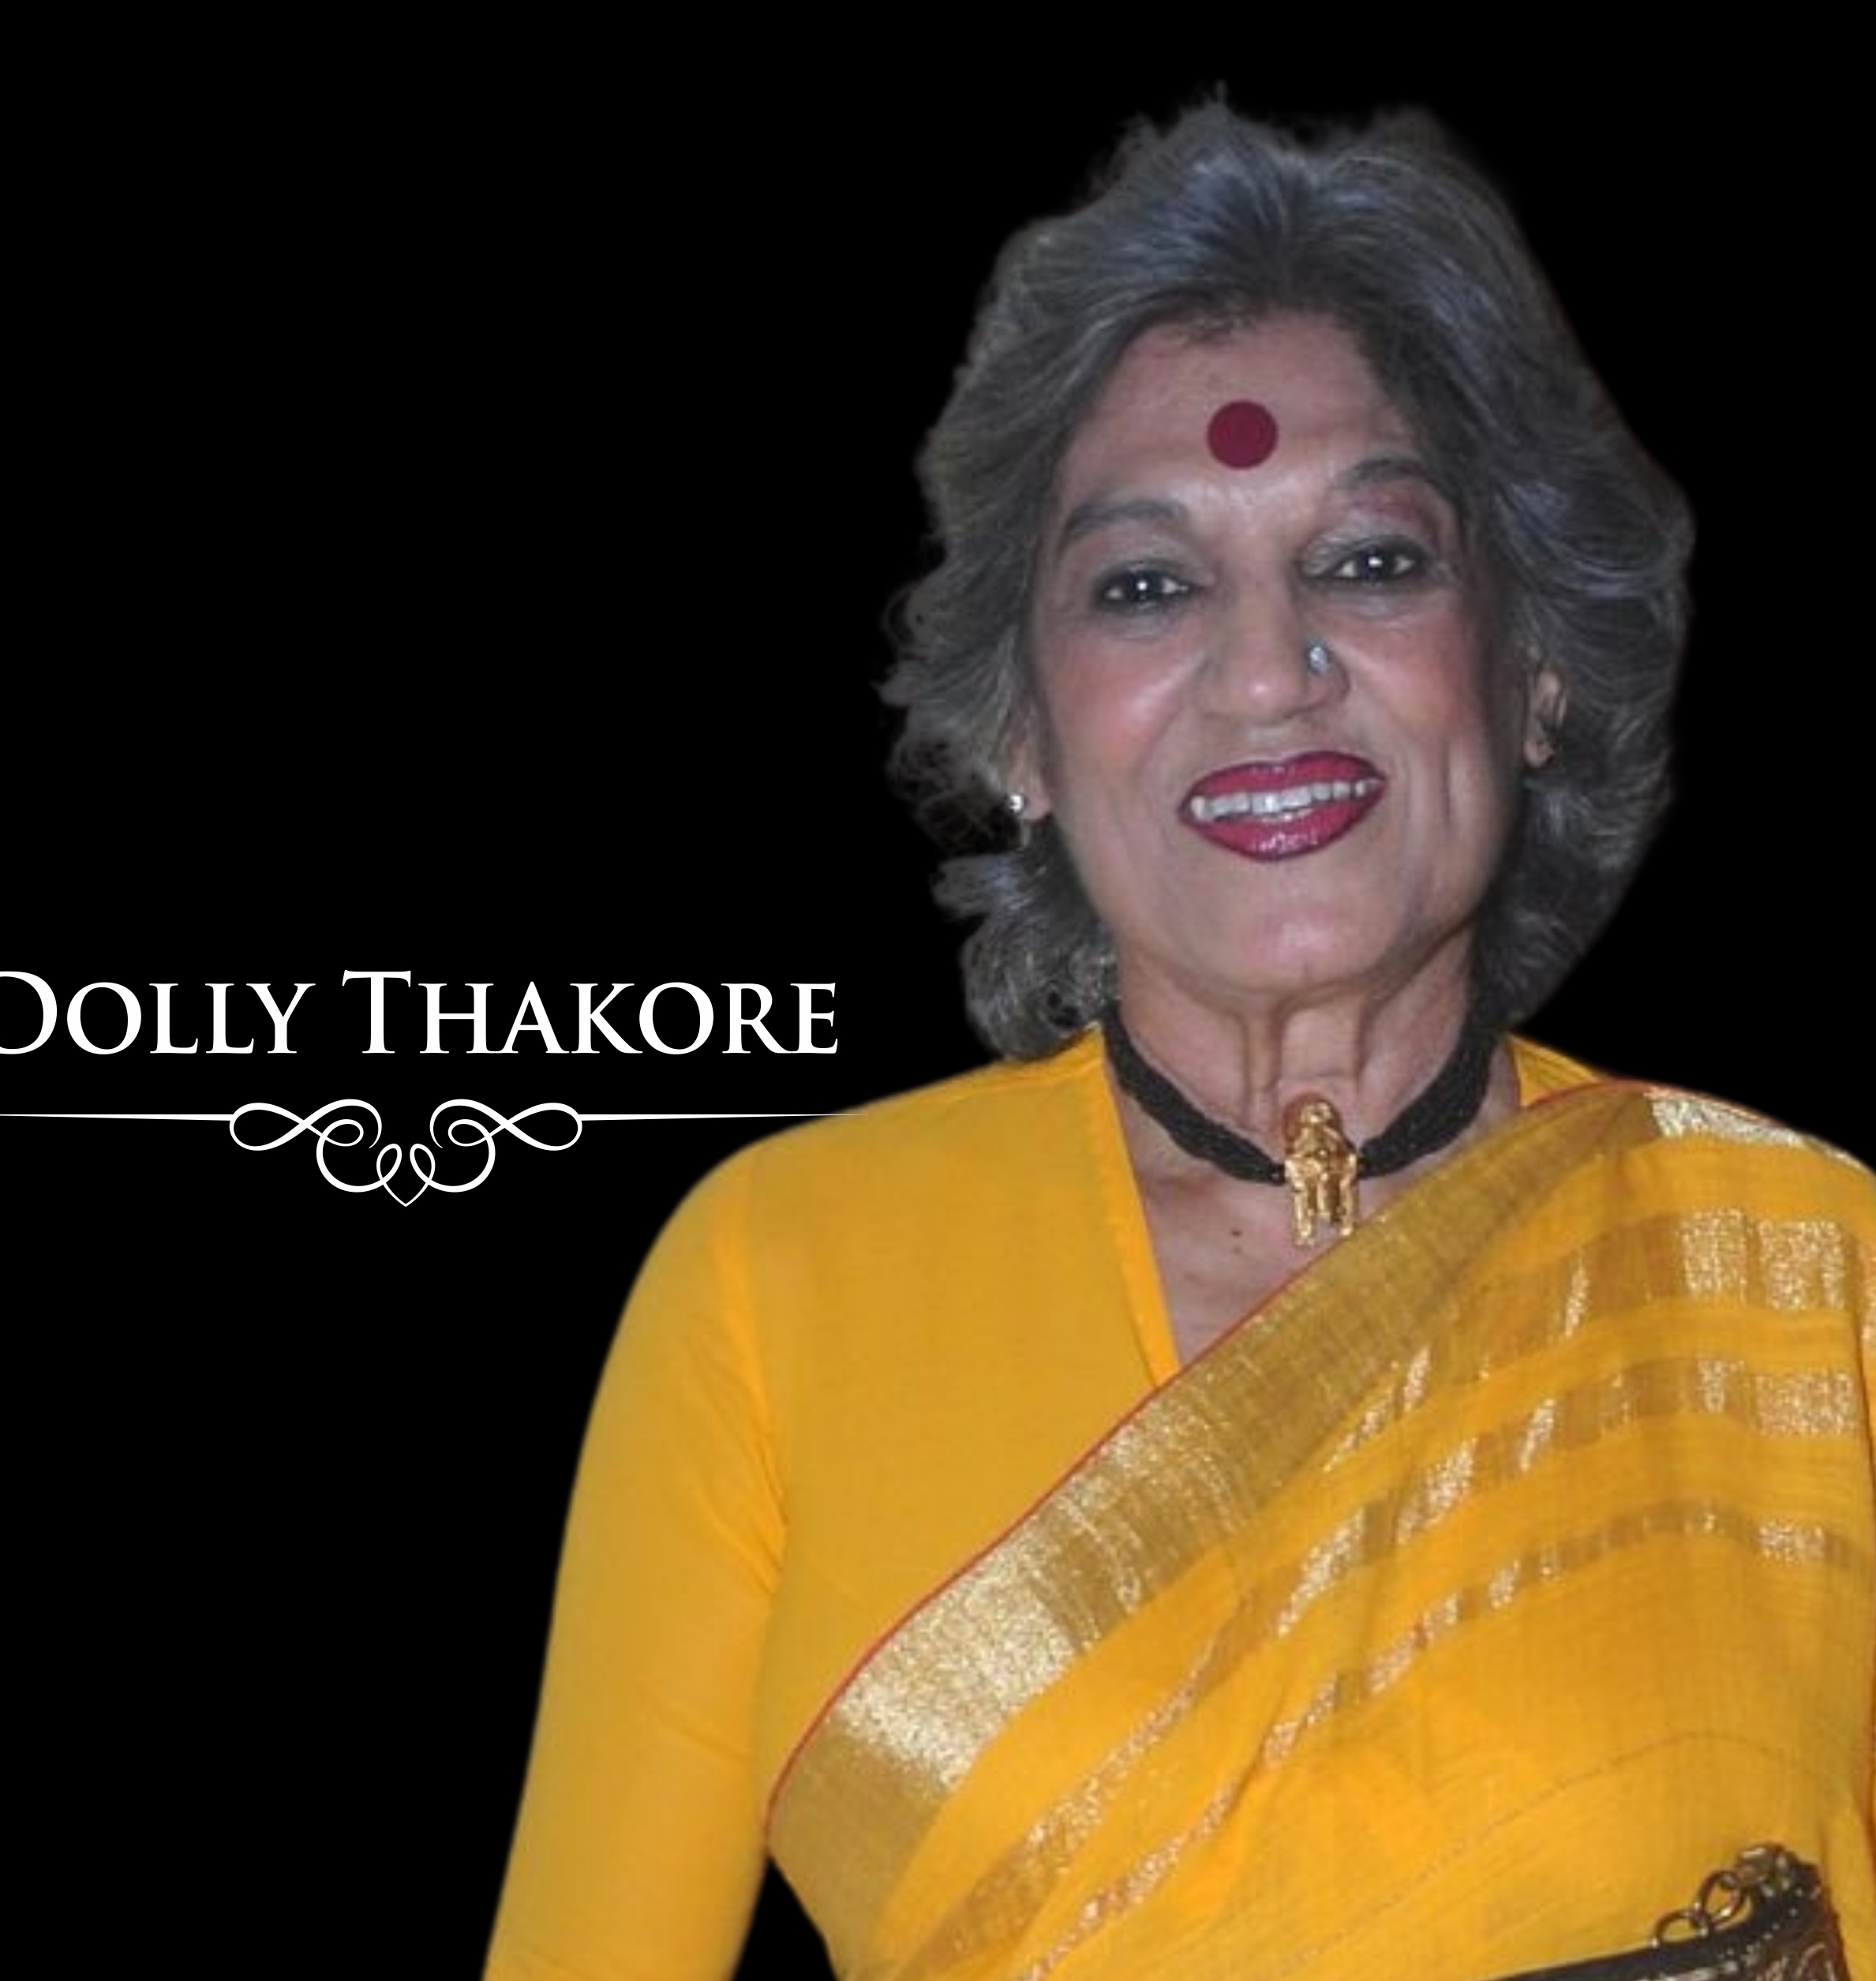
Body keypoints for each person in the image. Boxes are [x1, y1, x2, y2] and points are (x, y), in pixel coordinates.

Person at [485, 96, 1874, 1979]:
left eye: (1368, 560)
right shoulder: (778, 1284)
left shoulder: (1803, 1276)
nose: (1267, 668)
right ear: (1021, 738)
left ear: (1534, 667)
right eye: (1146, 585)